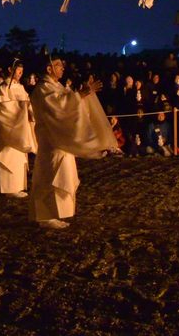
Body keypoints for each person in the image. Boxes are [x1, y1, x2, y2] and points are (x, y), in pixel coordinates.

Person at [29, 55, 117, 229]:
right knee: (50, 174)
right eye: (58, 65)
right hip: (51, 140)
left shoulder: (56, 86)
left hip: (61, 139)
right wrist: (78, 96)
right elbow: (58, 107)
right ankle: (46, 216)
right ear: (49, 69)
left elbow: (67, 105)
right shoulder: (43, 88)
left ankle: (54, 213)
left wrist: (81, 96)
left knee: (63, 174)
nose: (62, 68)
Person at [0, 60, 37, 198]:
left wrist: (29, 111)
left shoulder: (20, 87)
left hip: (21, 127)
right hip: (10, 127)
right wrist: (21, 108)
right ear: (10, 69)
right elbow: (3, 107)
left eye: (21, 71)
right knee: (9, 154)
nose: (20, 73)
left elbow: (27, 103)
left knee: (19, 155)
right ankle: (8, 187)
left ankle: (17, 186)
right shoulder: (4, 87)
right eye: (18, 70)